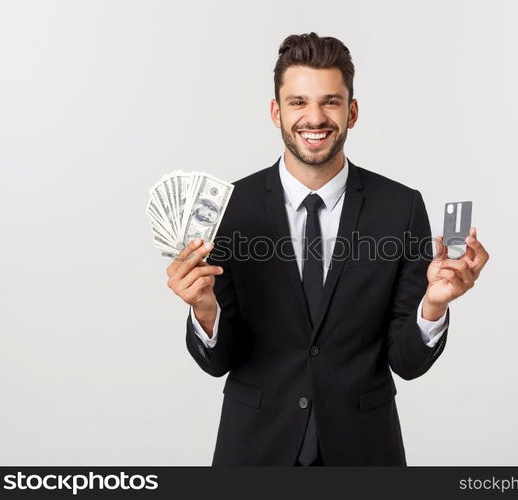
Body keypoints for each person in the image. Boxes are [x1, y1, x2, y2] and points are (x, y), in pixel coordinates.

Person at [165, 32, 489, 466]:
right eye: (298, 102)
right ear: (276, 112)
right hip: (254, 451)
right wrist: (205, 311)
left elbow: (406, 362)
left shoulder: (400, 207)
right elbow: (219, 361)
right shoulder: (227, 209)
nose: (314, 118)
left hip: (364, 452)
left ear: (352, 112)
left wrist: (432, 306)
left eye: (330, 102)